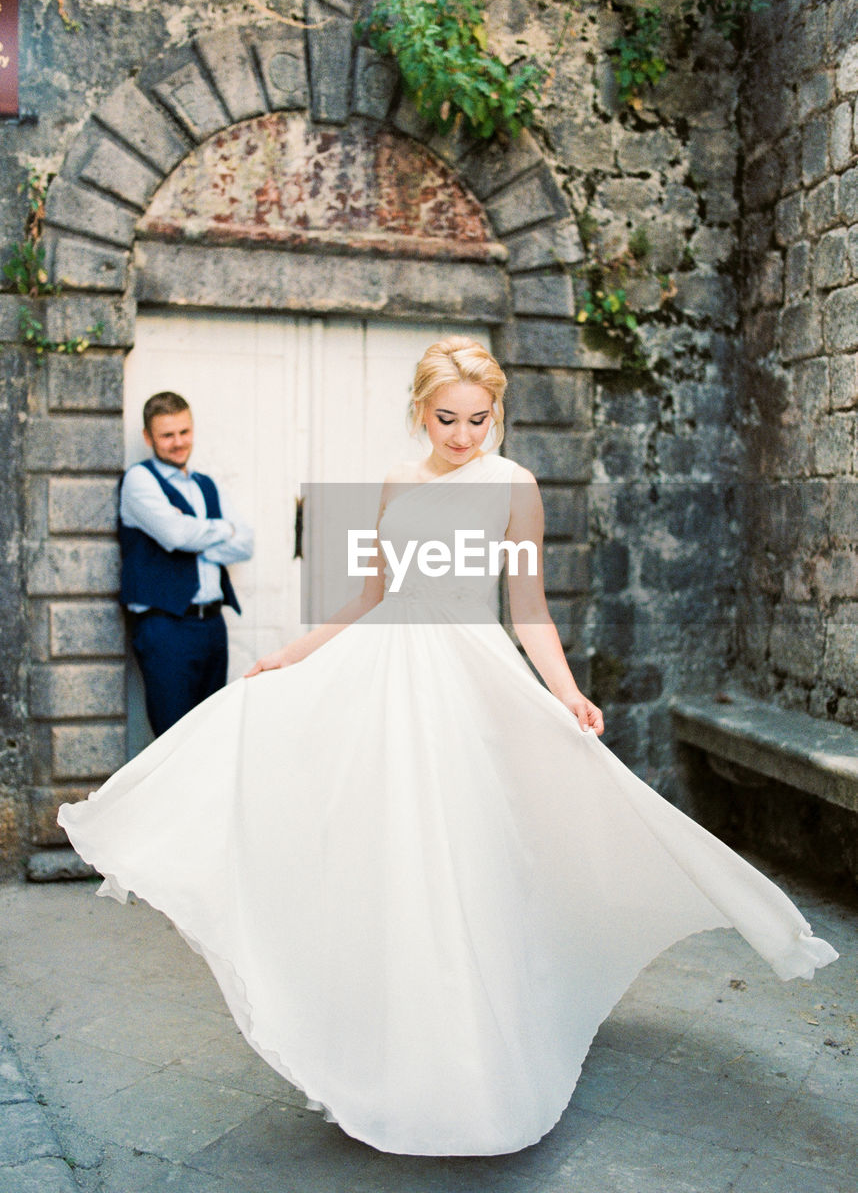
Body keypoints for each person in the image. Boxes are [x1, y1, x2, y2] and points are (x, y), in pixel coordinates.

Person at [59, 339, 836, 1158]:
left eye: (480, 418)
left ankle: (483, 1059)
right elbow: (370, 595)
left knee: (477, 854)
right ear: (420, 411)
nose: (465, 435)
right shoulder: (394, 484)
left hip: (475, 675)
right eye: (447, 418)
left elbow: (527, 605)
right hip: (389, 672)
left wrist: (566, 691)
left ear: (496, 412)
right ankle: (402, 1055)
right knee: (394, 855)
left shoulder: (516, 486)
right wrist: (294, 654)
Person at [119, 390, 253, 736]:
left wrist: (195, 537)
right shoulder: (139, 480)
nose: (178, 443)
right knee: (173, 741)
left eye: (184, 432)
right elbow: (177, 536)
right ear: (148, 437)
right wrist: (222, 529)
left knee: (210, 737)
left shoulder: (205, 485)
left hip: (211, 627)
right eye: (167, 435)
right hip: (165, 628)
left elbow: (246, 543)